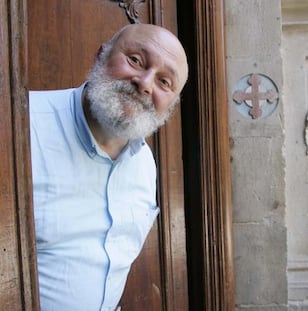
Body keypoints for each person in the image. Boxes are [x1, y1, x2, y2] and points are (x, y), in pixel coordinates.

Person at [29, 23, 188, 311]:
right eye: (136, 60)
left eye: (165, 82)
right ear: (101, 55)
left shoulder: (144, 164)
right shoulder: (22, 125)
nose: (145, 83)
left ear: (171, 105)